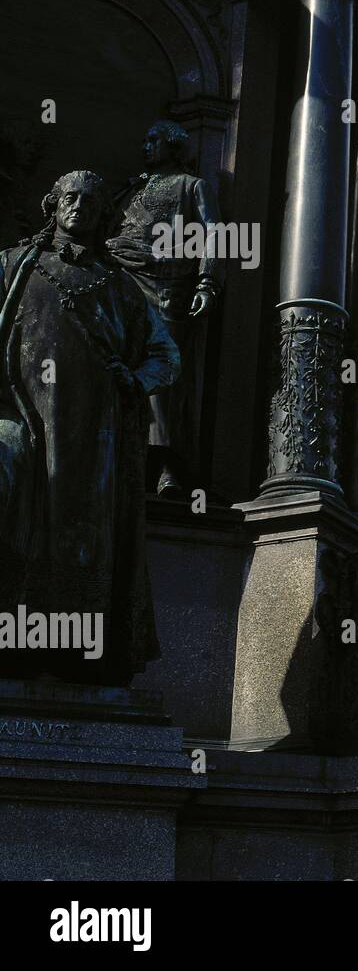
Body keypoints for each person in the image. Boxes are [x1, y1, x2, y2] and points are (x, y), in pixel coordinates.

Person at [0, 170, 179, 683]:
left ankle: (75, 655)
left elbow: (166, 356)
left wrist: (136, 380)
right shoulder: (15, 266)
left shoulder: (120, 286)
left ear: (104, 215)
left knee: (81, 544)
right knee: (21, 526)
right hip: (24, 421)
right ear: (53, 206)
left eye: (91, 202)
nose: (79, 207)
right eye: (70, 198)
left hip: (93, 436)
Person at [106, 120, 221, 497]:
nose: (145, 146)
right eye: (144, 139)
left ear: (174, 145)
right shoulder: (132, 188)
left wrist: (207, 282)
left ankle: (166, 464)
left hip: (168, 287)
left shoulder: (192, 186)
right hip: (121, 287)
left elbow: (215, 233)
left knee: (164, 377)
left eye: (153, 140)